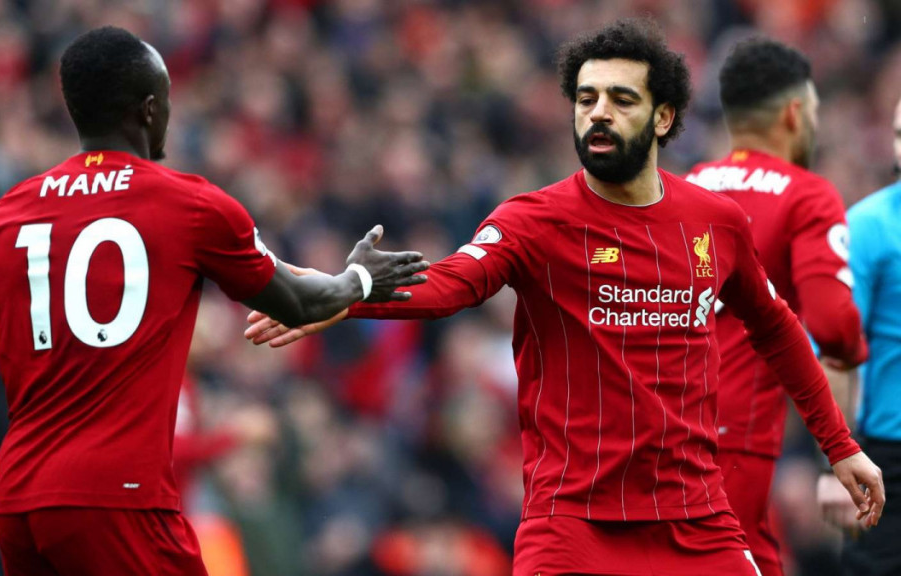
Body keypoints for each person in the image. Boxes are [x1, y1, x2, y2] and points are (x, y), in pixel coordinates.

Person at [244, 19, 884, 575]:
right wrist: (342, 293)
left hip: (695, 523)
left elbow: (777, 327)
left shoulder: (715, 222)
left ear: (663, 117)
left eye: (621, 99)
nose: (598, 112)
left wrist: (841, 445)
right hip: (575, 528)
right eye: (585, 98)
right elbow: (449, 284)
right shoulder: (534, 221)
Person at [0, 26, 428, 575]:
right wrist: (359, 279)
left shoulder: (3, 217)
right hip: (119, 501)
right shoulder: (190, 205)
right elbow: (298, 303)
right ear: (150, 109)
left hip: (19, 503)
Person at [682, 38, 868, 576]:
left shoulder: (683, 188)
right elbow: (833, 327)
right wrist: (856, 346)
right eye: (814, 111)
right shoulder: (807, 195)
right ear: (793, 113)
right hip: (731, 440)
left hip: (656, 430)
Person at [817, 96, 901, 576]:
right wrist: (838, 461)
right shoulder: (868, 227)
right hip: (891, 459)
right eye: (898, 135)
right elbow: (835, 355)